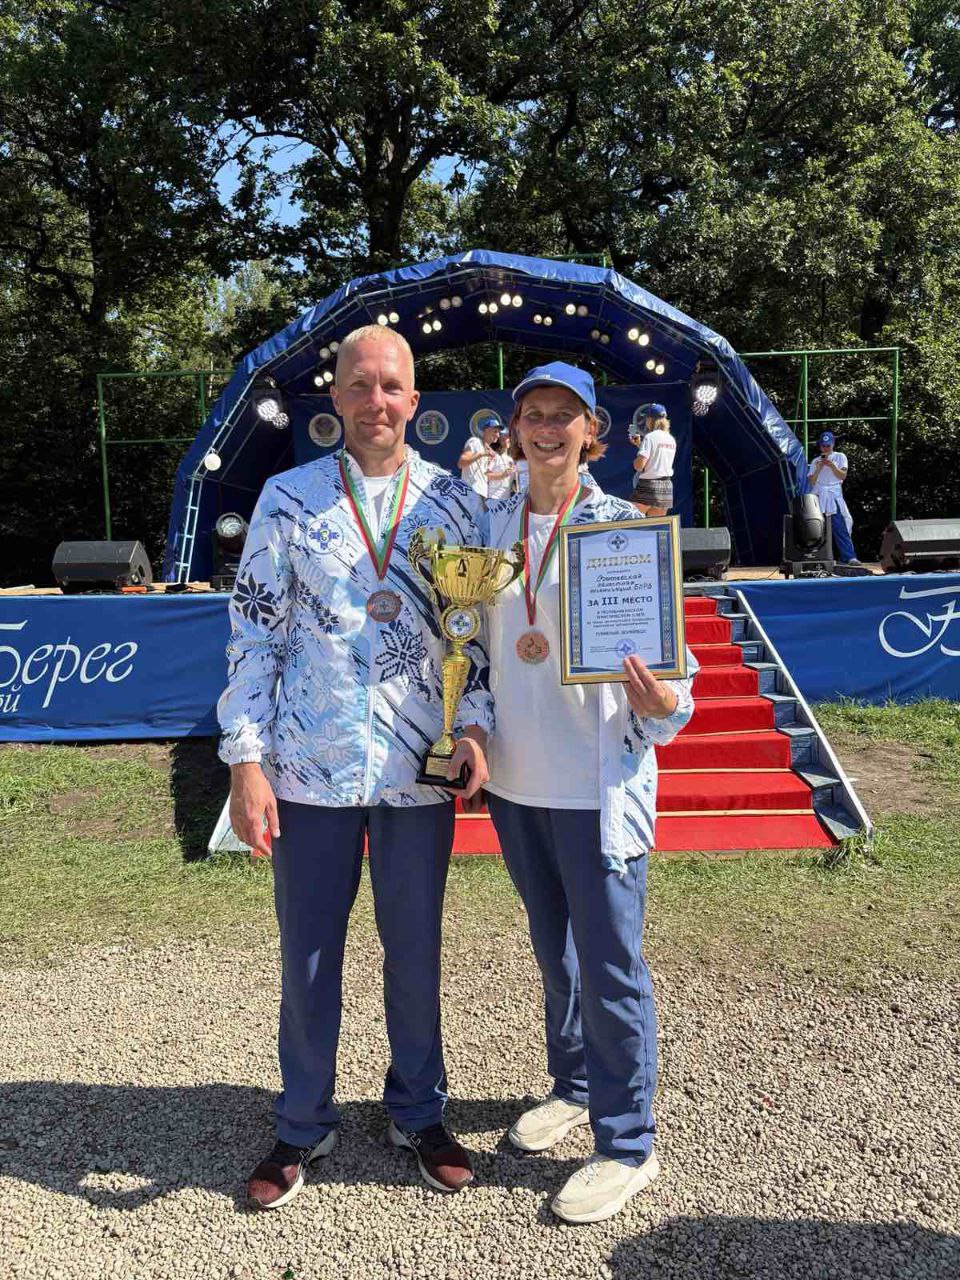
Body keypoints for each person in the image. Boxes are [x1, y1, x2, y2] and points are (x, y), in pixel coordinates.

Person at [218, 324, 492, 1209]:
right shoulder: (288, 498)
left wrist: (474, 728)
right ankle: (302, 1122)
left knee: (415, 953)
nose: (377, 400)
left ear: (415, 400)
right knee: (308, 957)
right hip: (309, 768)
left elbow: (475, 642)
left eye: (392, 385)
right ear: (335, 397)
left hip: (418, 770)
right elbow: (254, 634)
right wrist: (246, 760)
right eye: (360, 384)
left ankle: (419, 1111)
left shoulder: (455, 503)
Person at [475, 361, 697, 1224]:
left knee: (610, 966)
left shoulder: (625, 530)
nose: (545, 428)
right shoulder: (489, 529)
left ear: (592, 430)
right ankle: (572, 1085)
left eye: (562, 415)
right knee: (553, 952)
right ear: (514, 429)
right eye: (532, 413)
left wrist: (665, 701)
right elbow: (477, 651)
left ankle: (628, 1142)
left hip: (597, 787)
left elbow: (677, 677)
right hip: (518, 784)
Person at [808, 430, 859, 564]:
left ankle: (848, 556)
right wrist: (819, 468)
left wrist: (831, 466)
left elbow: (842, 476)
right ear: (820, 446)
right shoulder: (815, 461)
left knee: (840, 526)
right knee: (816, 527)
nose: (825, 448)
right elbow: (812, 481)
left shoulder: (840, 457)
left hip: (834, 496)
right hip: (818, 496)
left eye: (828, 446)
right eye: (823, 446)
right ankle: (815, 557)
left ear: (833, 444)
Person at [630, 403, 676, 515]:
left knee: (633, 520)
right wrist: (640, 445)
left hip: (649, 485)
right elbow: (658, 458)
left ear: (650, 419)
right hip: (666, 487)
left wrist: (635, 461)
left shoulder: (650, 437)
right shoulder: (671, 439)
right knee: (656, 523)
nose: (646, 421)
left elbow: (639, 466)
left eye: (646, 418)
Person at [457, 414, 514, 501]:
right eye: (495, 431)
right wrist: (482, 454)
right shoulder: (475, 442)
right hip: (470, 492)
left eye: (498, 432)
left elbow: (487, 475)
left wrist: (504, 474)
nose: (497, 435)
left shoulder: (490, 452)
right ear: (486, 430)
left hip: (482, 494)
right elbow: (461, 463)